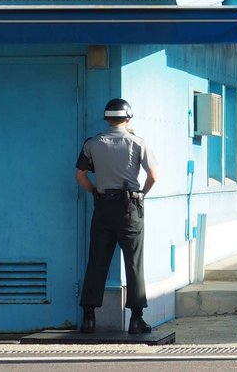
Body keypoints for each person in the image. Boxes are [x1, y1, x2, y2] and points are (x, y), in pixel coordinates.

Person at [75, 98, 157, 335]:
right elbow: (153, 176)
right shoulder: (137, 143)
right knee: (133, 263)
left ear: (107, 118)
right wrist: (141, 194)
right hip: (129, 207)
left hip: (102, 207)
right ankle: (136, 319)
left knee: (97, 261)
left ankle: (89, 318)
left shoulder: (92, 144)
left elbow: (80, 176)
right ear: (128, 118)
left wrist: (95, 193)